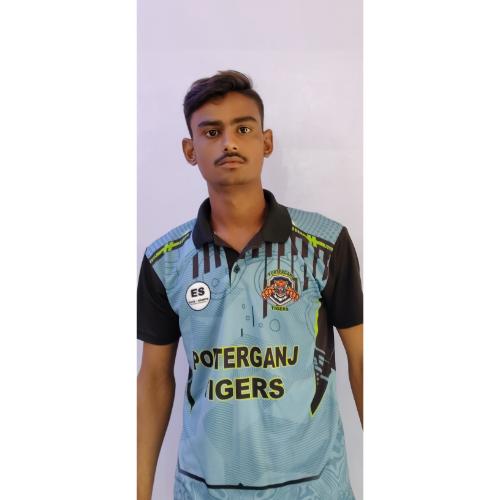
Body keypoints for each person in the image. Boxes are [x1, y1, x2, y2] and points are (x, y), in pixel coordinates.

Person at [137, 70, 363, 500]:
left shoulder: (325, 243)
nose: (229, 142)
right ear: (190, 150)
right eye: (212, 132)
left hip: (314, 489)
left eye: (243, 129)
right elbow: (153, 380)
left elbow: (363, 359)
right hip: (204, 490)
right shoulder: (165, 260)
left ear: (266, 141)